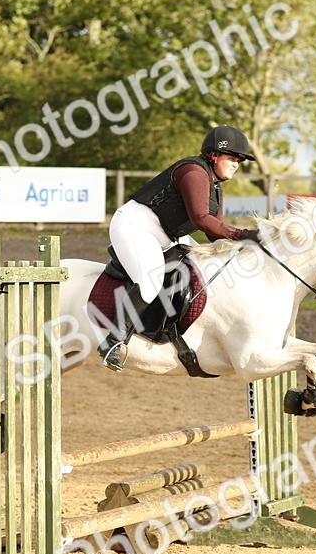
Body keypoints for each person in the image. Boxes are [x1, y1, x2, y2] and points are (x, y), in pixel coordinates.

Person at [98, 125, 260, 371]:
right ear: (214, 155)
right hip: (135, 225)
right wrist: (245, 234)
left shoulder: (216, 186)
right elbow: (201, 220)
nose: (237, 164)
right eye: (232, 158)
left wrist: (242, 250)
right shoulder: (193, 172)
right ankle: (113, 341)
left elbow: (212, 233)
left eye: (240, 160)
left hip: (167, 233)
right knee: (150, 281)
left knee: (202, 267)